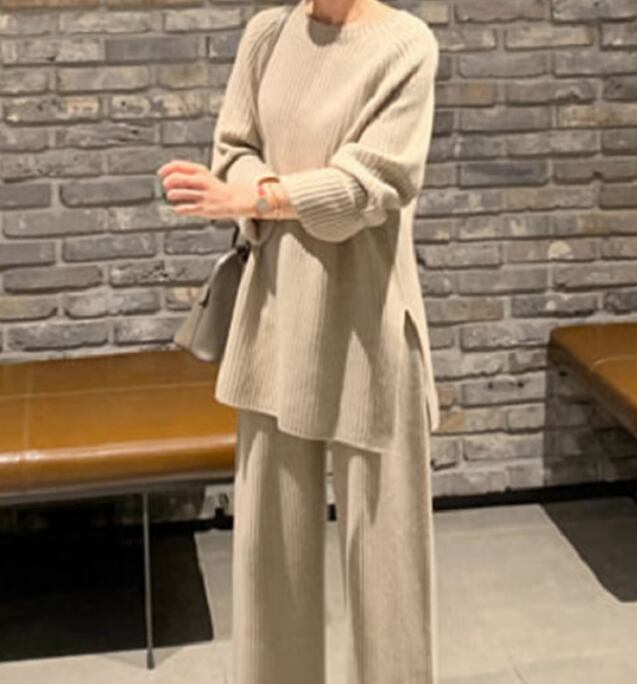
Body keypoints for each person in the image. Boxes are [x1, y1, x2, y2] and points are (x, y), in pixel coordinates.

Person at [157, 0, 441, 681]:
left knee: (388, 566)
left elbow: (371, 186)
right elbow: (234, 149)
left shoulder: (406, 45)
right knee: (270, 557)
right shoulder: (267, 34)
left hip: (372, 324)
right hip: (276, 316)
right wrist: (257, 189)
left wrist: (255, 199)